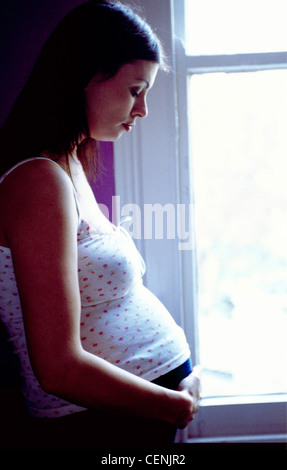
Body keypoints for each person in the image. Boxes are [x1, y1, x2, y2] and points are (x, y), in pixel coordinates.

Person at [0, 0, 200, 450]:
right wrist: (173, 405)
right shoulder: (36, 179)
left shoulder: (66, 165)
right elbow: (57, 366)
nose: (143, 109)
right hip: (94, 429)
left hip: (117, 422)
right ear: (87, 77)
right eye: (135, 90)